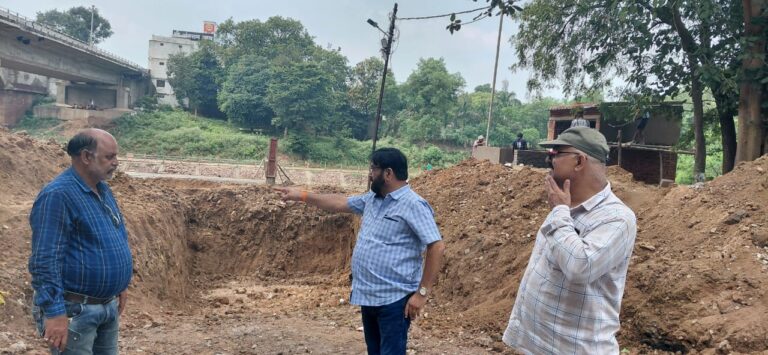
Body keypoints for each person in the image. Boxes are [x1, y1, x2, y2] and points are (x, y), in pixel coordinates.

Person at [275, 148, 445, 355]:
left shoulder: (414, 205)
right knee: (374, 351)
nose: (370, 174)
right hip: (369, 295)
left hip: (395, 299)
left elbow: (436, 245)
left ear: (388, 173)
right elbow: (339, 203)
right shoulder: (372, 200)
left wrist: (422, 293)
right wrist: (301, 195)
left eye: (373, 169)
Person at [502, 126, 637, 354]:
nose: (549, 159)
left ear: (579, 161)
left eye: (556, 154)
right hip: (538, 346)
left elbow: (579, 267)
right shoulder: (565, 206)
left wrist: (559, 213)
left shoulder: (617, 218)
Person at [29, 129, 132, 355]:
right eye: (109, 157)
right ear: (86, 157)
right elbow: (45, 261)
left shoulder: (103, 190)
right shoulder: (58, 195)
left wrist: (121, 284)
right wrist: (55, 314)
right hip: (75, 311)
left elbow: (117, 235)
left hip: (107, 306)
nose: (116, 163)